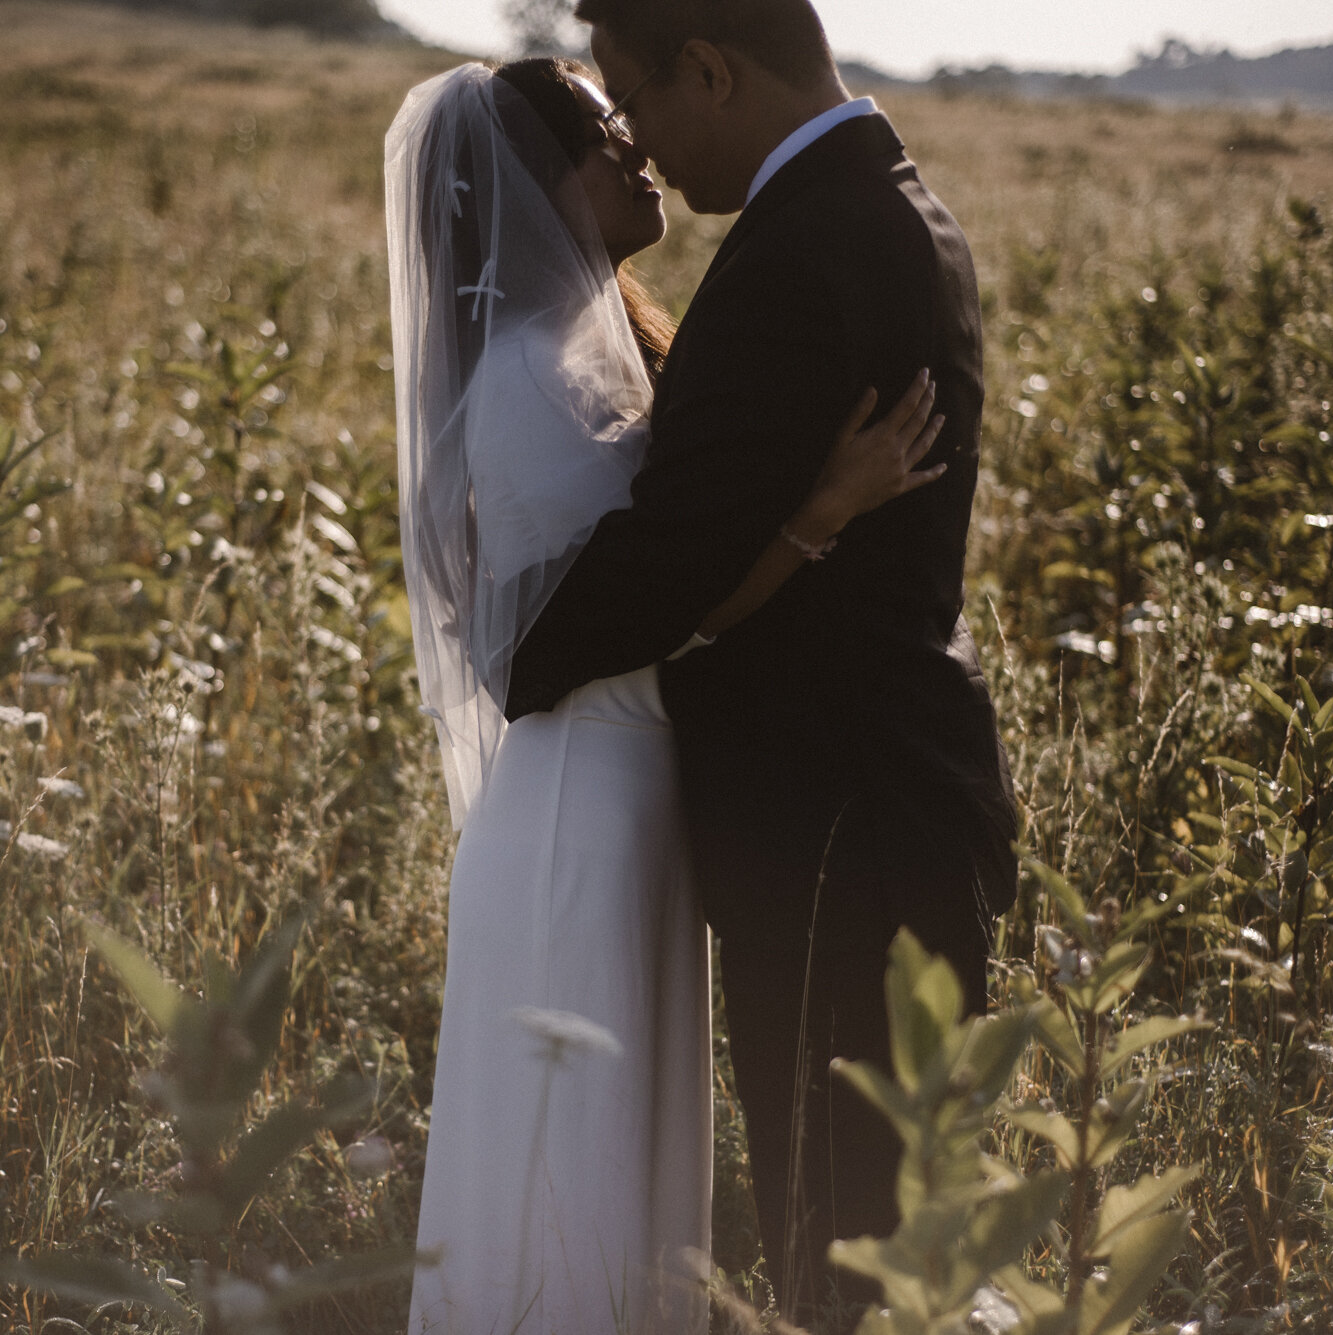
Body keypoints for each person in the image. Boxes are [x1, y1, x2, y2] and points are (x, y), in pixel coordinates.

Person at [386, 57, 949, 1335]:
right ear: (532, 180)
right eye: (599, 130)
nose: (632, 143)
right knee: (564, 1175)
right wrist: (816, 515)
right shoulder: (534, 377)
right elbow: (634, 611)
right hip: (581, 804)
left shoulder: (591, 346)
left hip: (625, 796)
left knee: (608, 1164)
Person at [501, 0, 1020, 1321]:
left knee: (840, 1241)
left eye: (641, 102)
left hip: (838, 840)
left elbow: (670, 555)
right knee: (876, 1230)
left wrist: (518, 638)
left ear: (712, 71)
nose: (646, 147)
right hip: (890, 809)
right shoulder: (891, 205)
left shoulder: (802, 254)